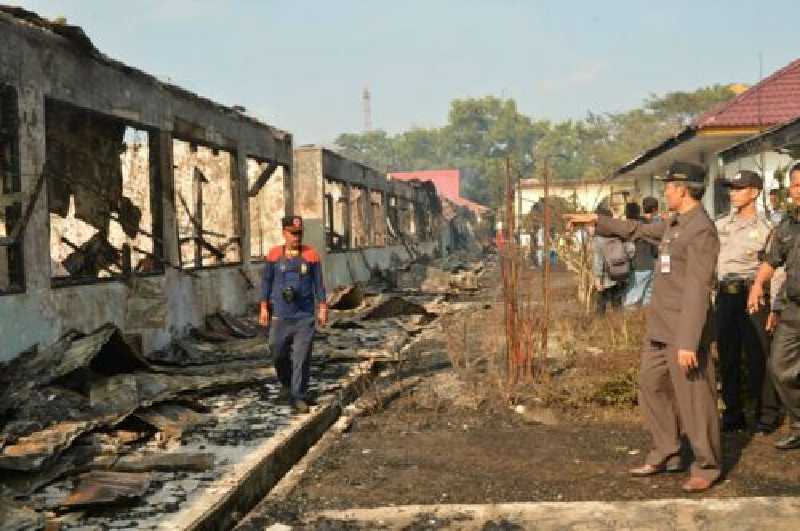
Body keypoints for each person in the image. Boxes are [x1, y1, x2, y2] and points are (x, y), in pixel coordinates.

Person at [566, 161, 721, 492]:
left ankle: (706, 466)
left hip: (683, 330)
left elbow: (697, 289)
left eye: (668, 186)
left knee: (695, 399)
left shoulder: (701, 230)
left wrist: (689, 341)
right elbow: (636, 230)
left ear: (683, 188)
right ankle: (668, 451)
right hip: (660, 328)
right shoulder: (674, 223)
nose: (664, 191)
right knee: (650, 386)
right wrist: (597, 221)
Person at [714, 170, 782, 434]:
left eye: (739, 188)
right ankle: (733, 414)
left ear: (754, 192)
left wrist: (773, 305)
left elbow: (775, 268)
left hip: (753, 296)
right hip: (725, 296)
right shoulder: (720, 226)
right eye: (731, 188)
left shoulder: (767, 229)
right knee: (728, 354)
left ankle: (767, 414)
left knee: (759, 355)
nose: (733, 193)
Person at [748, 162, 800, 450]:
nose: (799, 191)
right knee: (780, 368)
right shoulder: (787, 227)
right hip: (793, 310)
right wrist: (758, 286)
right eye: (795, 185)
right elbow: (771, 261)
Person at [259, 215, 328, 414]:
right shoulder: (273, 255)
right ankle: (287, 384)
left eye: (299, 233)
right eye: (293, 233)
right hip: (280, 316)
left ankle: (298, 395)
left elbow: (319, 283)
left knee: (302, 356)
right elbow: (266, 282)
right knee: (277, 350)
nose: (296, 237)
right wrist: (263, 306)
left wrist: (323, 307)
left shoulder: (311, 255)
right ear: (284, 233)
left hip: (304, 316)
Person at [592, 206, 626, 314]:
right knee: (617, 305)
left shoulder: (599, 238)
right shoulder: (618, 234)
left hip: (605, 278)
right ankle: (619, 327)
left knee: (601, 306)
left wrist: (598, 278)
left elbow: (598, 261)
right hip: (619, 274)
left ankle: (601, 328)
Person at [624, 200, 658, 307]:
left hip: (637, 266)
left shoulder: (628, 228)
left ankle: (627, 322)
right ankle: (643, 321)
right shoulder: (647, 225)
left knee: (632, 300)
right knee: (647, 300)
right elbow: (655, 248)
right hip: (650, 264)